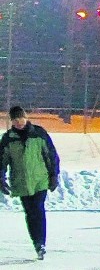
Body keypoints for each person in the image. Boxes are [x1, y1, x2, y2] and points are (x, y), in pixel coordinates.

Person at [0, 106, 60, 261]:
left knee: (38, 210)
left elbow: (51, 155)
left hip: (40, 180)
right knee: (30, 213)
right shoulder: (8, 138)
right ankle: (37, 243)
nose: (18, 122)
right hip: (21, 182)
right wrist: (1, 179)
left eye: (20, 119)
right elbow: (1, 161)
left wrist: (54, 175)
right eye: (15, 120)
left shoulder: (39, 134)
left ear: (25, 118)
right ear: (11, 121)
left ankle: (41, 244)